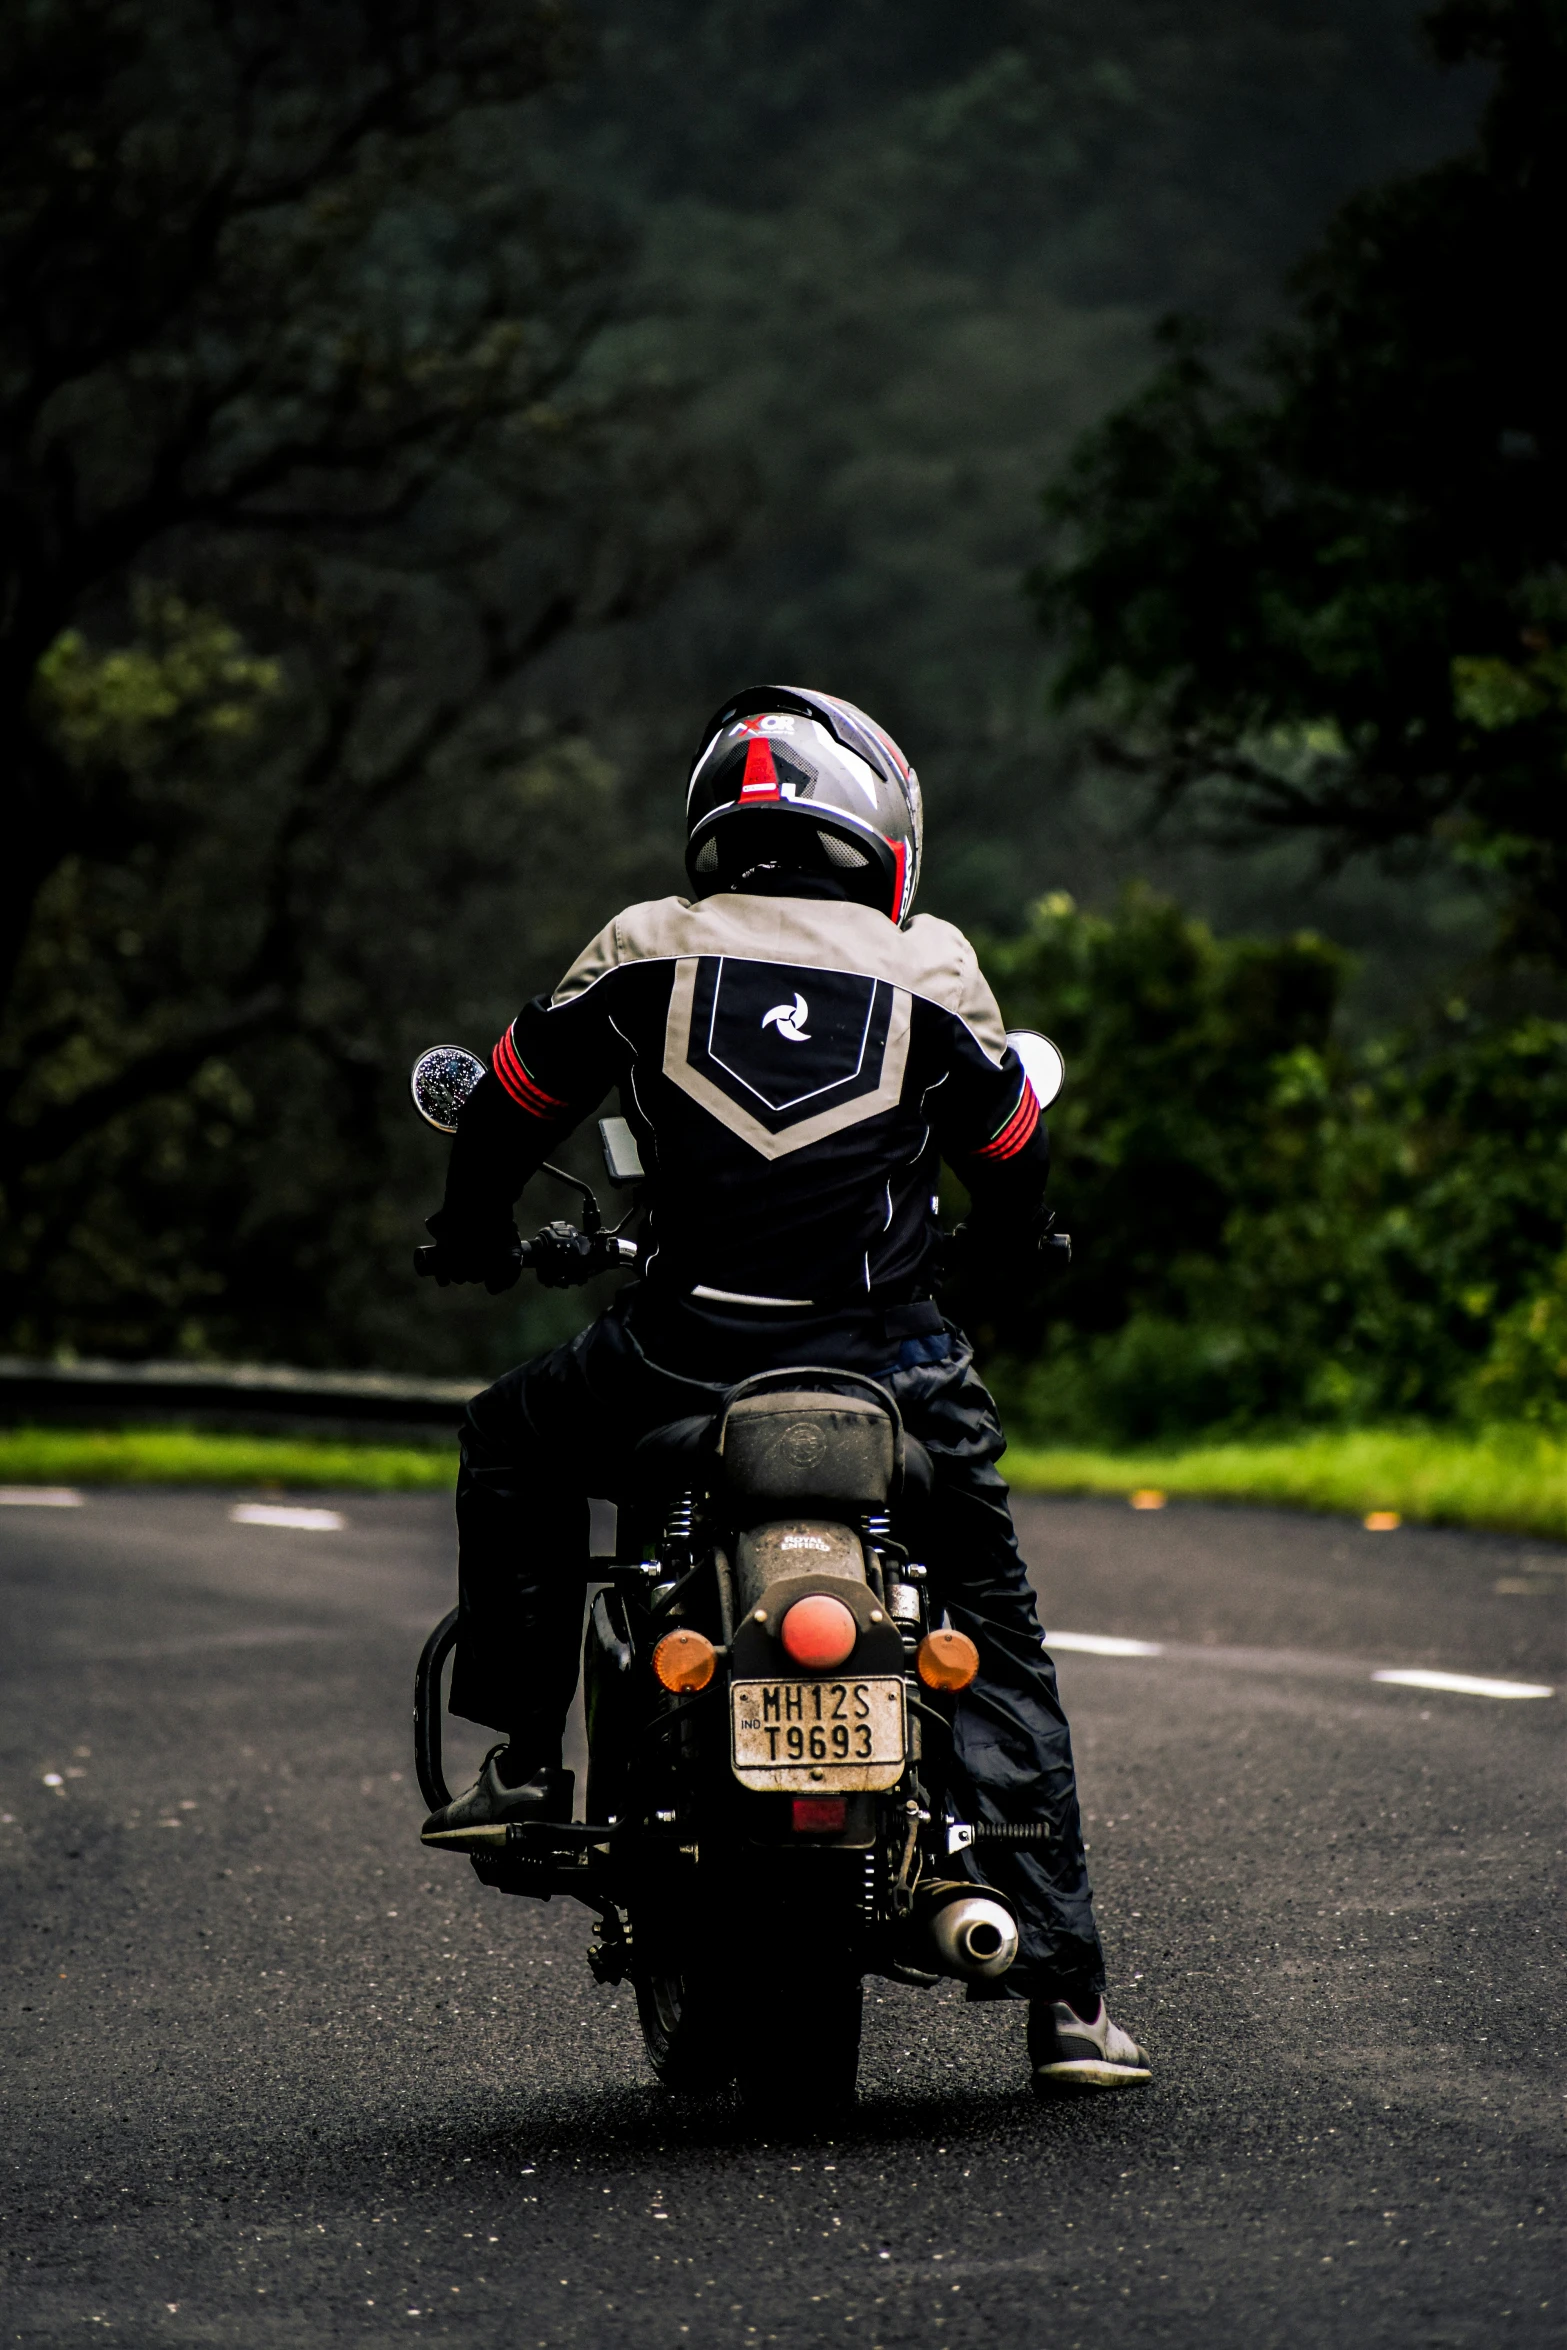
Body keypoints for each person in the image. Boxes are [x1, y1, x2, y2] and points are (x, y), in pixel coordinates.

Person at [417, 684, 1150, 2093]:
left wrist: (467, 1229)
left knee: (510, 1437)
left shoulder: (645, 948)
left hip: (678, 1353)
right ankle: (1062, 1994)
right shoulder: (927, 965)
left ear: (720, 825)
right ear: (873, 825)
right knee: (992, 1630)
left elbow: (510, 1101)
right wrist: (1011, 1250)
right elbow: (1011, 1150)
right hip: (895, 1371)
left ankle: (516, 1751)